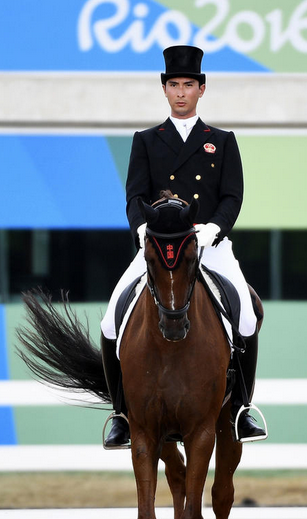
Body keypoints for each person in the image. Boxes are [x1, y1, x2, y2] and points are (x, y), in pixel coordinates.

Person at [101, 45, 266, 447]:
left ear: (201, 89)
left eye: (188, 85)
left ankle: (242, 408)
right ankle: (121, 414)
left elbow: (233, 196)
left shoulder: (222, 141)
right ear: (165, 89)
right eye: (173, 84)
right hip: (158, 246)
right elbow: (134, 196)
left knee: (246, 316)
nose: (180, 92)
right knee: (109, 322)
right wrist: (141, 229)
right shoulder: (145, 140)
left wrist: (213, 229)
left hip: (209, 244)